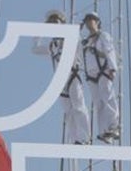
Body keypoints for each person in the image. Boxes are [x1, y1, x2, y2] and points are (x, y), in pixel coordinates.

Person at [32, 9, 91, 144]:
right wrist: (40, 31)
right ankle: (76, 140)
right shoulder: (52, 46)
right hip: (59, 81)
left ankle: (85, 137)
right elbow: (35, 49)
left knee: (79, 106)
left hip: (72, 75)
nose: (53, 24)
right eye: (51, 23)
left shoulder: (71, 38)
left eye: (56, 22)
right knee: (68, 112)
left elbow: (80, 49)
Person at [80, 12, 121, 142]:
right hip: (91, 75)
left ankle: (114, 126)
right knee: (98, 103)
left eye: (91, 20)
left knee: (107, 97)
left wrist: (112, 68)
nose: (88, 22)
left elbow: (110, 51)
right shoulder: (85, 42)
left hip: (103, 71)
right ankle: (104, 131)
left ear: (97, 21)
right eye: (86, 20)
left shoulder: (103, 36)